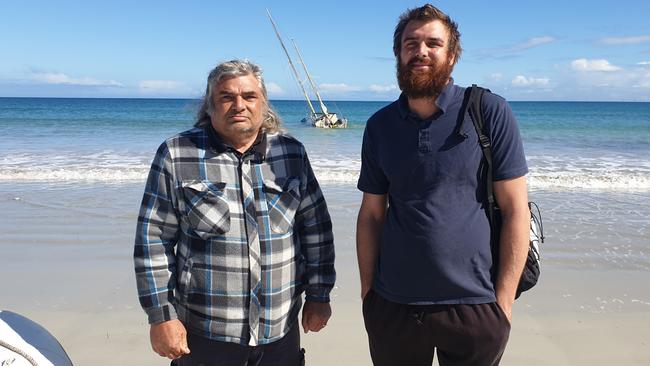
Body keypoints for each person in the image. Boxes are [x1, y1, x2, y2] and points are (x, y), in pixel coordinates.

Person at [356, 4, 530, 366]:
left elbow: (516, 210)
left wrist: (504, 304)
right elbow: (372, 214)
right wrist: (368, 294)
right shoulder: (380, 126)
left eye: (433, 43)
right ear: (398, 54)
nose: (420, 51)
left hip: (475, 304)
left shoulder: (488, 111)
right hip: (393, 305)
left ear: (452, 56)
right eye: (411, 43)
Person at [134, 59, 335, 366]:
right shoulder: (177, 154)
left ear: (264, 103)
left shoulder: (291, 154)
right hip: (206, 333)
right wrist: (161, 316)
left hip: (280, 330)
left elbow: (315, 228)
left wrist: (319, 294)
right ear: (209, 106)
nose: (239, 105)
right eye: (226, 97)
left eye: (249, 96)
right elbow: (153, 240)